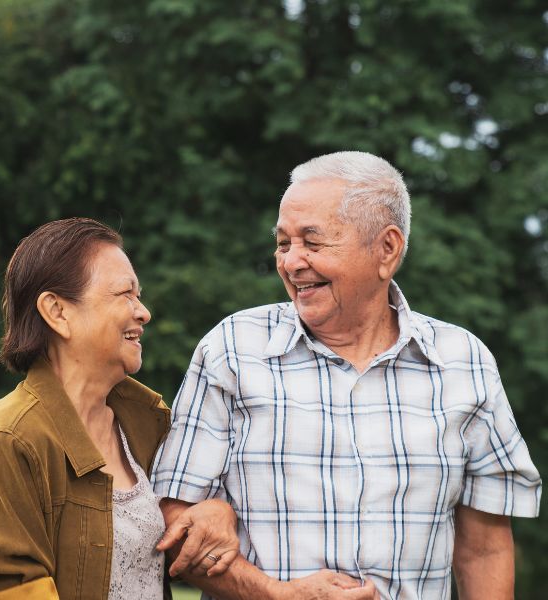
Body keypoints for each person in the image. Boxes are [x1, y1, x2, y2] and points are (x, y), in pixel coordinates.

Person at [152, 151, 542, 600]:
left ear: (387, 248)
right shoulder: (233, 350)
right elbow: (173, 522)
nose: (291, 262)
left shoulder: (464, 362)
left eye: (312, 243)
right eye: (283, 243)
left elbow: (484, 550)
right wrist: (277, 594)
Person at [0, 218, 239, 600]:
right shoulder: (9, 441)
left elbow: (177, 546)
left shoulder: (147, 422)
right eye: (125, 294)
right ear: (57, 312)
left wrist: (217, 511)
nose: (143, 312)